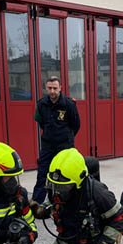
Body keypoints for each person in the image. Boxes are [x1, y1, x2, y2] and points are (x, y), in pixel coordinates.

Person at [33, 148, 123, 244]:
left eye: (63, 186)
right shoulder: (57, 186)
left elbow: (118, 218)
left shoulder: (97, 192)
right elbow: (51, 203)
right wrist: (41, 210)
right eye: (55, 185)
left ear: (78, 181)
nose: (58, 190)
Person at [31, 76, 80, 204]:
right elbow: (41, 122)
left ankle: (65, 202)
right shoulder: (41, 104)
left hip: (65, 146)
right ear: (46, 88)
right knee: (42, 173)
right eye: (49, 88)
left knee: (65, 175)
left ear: (60, 88)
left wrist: (65, 137)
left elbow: (76, 125)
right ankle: (37, 203)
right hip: (48, 146)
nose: (52, 91)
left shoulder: (69, 104)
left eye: (55, 88)